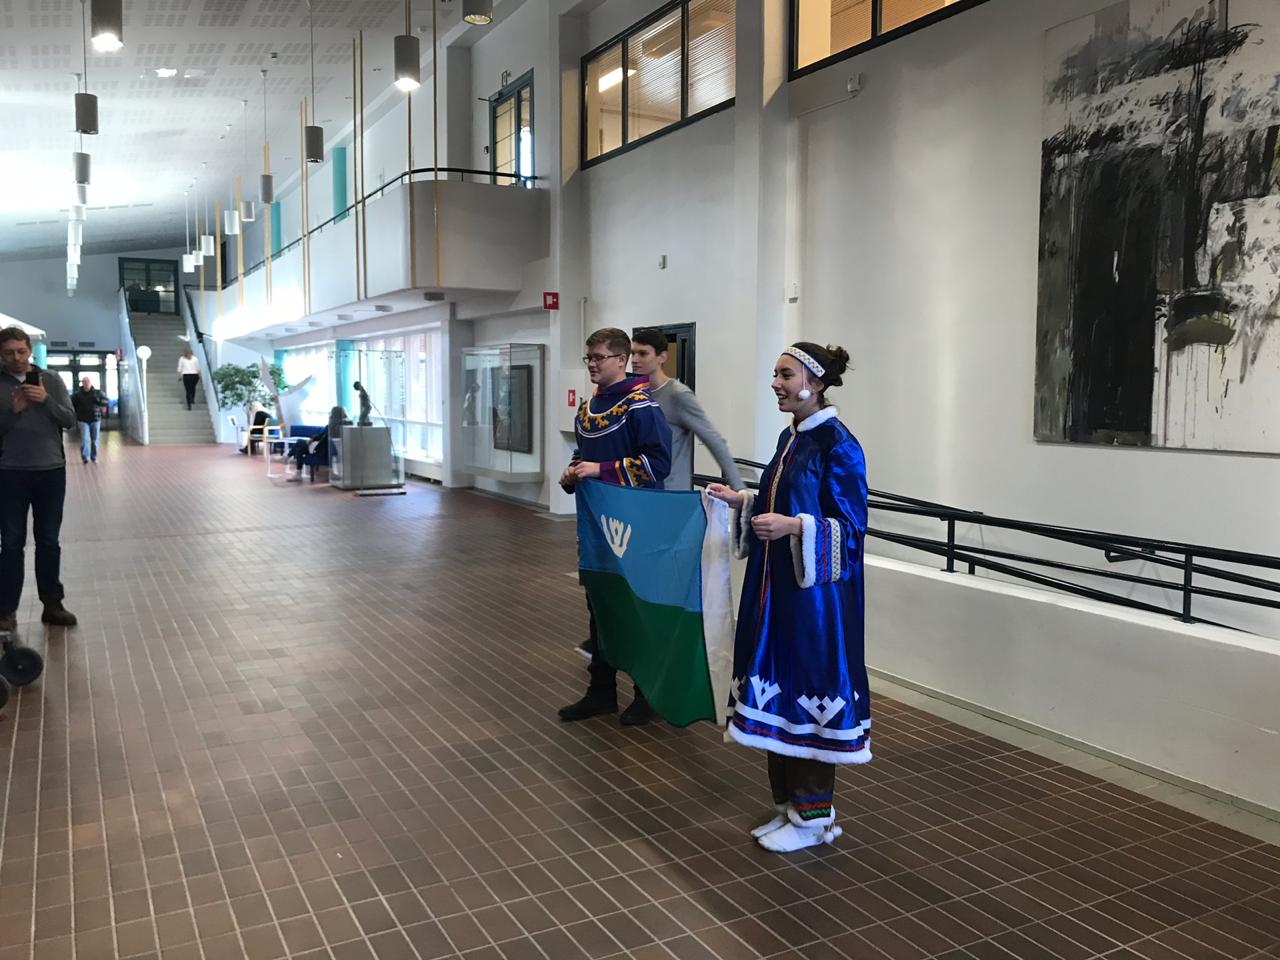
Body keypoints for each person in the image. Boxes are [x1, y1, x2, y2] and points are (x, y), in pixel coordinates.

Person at [707, 342, 869, 853]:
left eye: (785, 375)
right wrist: (744, 502)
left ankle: (816, 818)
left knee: (810, 693)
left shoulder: (839, 445)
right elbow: (785, 502)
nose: (775, 383)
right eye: (775, 374)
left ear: (814, 384)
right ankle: (791, 808)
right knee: (779, 692)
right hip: (777, 593)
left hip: (815, 605)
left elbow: (852, 530)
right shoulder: (791, 437)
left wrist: (795, 527)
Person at [558, 327, 672, 725]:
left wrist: (599, 469)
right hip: (596, 527)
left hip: (635, 526)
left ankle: (648, 693)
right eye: (588, 358)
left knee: (635, 609)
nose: (592, 364)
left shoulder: (642, 406)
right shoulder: (588, 408)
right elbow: (583, 454)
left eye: (599, 357)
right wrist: (574, 472)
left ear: (621, 360)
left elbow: (658, 465)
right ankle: (601, 691)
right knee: (600, 606)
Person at [0, 327, 78, 629]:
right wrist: (13, 412)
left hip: (50, 471)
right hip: (10, 473)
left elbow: (69, 420)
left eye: (21, 351)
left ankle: (53, 604)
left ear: (30, 351)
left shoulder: (52, 380)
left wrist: (45, 399)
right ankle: (6, 610)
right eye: (9, 353)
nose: (16, 358)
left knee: (48, 540)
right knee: (11, 543)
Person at [630, 330, 745, 493]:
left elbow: (713, 440)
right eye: (633, 353)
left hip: (670, 493)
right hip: (639, 490)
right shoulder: (635, 394)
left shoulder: (678, 395)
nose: (634, 360)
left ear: (661, 357)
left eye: (642, 354)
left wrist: (739, 489)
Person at [71, 376, 106, 463]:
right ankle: (85, 457)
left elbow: (106, 401)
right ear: (82, 383)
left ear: (91, 383)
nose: (86, 383)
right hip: (83, 420)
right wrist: (76, 412)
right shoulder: (77, 395)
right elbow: (71, 404)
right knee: (85, 439)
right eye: (84, 382)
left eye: (88, 382)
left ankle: (94, 457)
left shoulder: (98, 393)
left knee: (95, 440)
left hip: (95, 419)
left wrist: (98, 401)